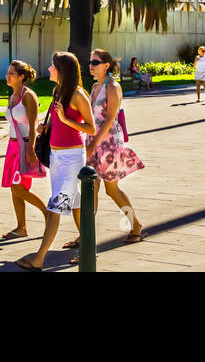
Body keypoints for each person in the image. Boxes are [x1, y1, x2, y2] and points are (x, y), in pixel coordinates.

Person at [14, 51, 95, 271]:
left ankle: (39, 259)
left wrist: (66, 119)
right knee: (76, 204)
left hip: (71, 158)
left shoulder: (78, 95)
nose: (49, 69)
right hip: (56, 156)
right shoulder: (56, 91)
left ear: (62, 70)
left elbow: (91, 127)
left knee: (55, 207)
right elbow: (55, 121)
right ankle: (89, 249)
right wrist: (46, 127)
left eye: (53, 66)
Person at [81, 50, 146, 255]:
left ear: (106, 65)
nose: (90, 65)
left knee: (111, 189)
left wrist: (94, 143)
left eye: (95, 62)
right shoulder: (94, 86)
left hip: (108, 143)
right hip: (94, 139)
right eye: (90, 62)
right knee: (90, 188)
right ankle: (85, 233)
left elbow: (110, 119)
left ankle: (135, 224)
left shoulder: (112, 86)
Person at [0, 60, 47, 239]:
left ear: (21, 77)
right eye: (8, 72)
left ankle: (48, 214)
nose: (7, 76)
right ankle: (21, 227)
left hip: (25, 146)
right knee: (14, 189)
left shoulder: (29, 96)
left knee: (20, 188)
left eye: (11, 73)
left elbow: (34, 124)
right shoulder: (12, 96)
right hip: (12, 147)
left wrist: (31, 150)